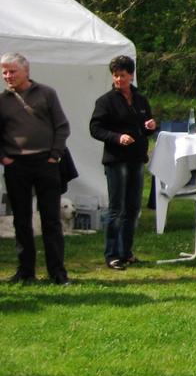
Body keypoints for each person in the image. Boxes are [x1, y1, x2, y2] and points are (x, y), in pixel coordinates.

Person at [0, 52, 72, 285]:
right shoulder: (2, 101)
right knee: (21, 220)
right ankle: (25, 271)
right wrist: (4, 158)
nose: (7, 76)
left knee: (51, 220)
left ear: (26, 71)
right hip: (16, 164)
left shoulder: (46, 93)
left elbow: (62, 126)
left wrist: (55, 155)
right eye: (4, 71)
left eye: (12, 71)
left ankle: (57, 273)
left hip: (46, 163)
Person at [89, 55, 157, 269]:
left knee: (132, 207)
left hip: (136, 158)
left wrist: (150, 126)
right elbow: (95, 128)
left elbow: (145, 127)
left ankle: (126, 251)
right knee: (116, 208)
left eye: (123, 75)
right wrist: (116, 137)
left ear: (131, 76)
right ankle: (112, 254)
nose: (119, 79)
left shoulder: (140, 99)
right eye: (116, 76)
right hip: (116, 159)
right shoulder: (105, 101)